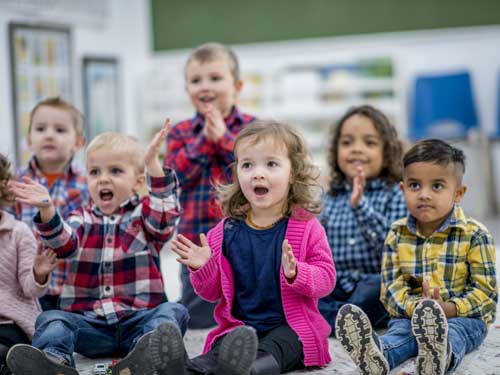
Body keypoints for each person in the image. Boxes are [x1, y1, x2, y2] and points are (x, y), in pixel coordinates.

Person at [153, 120, 336, 375]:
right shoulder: (225, 232)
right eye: (247, 165)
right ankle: (186, 368)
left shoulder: (307, 226)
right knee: (220, 349)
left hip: (289, 326)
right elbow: (211, 292)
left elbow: (327, 278)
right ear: (237, 172)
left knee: (284, 344)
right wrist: (203, 268)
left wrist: (297, 272)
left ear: (292, 172)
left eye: (271, 164)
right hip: (240, 327)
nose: (257, 173)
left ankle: (249, 370)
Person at [6, 120, 189, 375]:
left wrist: (154, 167)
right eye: (94, 172)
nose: (103, 179)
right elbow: (64, 243)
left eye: (115, 171)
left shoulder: (144, 216)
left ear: (137, 182)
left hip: (138, 319)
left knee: (173, 311)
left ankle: (148, 356)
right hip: (90, 326)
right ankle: (53, 362)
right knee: (51, 319)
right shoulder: (80, 217)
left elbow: (165, 217)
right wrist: (48, 210)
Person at [336, 139, 497, 375]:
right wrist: (417, 309)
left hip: (464, 317)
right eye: (414, 185)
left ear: (458, 193)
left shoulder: (475, 234)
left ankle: (442, 354)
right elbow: (390, 289)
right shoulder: (396, 234)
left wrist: (449, 309)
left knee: (456, 332)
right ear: (403, 190)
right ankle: (378, 354)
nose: (424, 195)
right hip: (411, 314)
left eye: (437, 186)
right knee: (400, 333)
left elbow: (486, 293)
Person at [165, 42, 256, 328]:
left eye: (215, 78)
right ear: (187, 89)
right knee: (197, 316)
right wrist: (205, 140)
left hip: (245, 238)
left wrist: (226, 140)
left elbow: (256, 171)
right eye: (196, 80)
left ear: (237, 86)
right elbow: (174, 179)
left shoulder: (253, 129)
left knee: (247, 307)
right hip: (195, 239)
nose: (205, 86)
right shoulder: (179, 132)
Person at [318, 105, 407, 331]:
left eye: (369, 143)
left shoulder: (396, 193)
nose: (356, 149)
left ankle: (334, 320)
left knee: (385, 289)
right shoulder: (329, 197)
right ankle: (345, 319)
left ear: (387, 153)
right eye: (347, 142)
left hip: (374, 282)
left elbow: (394, 251)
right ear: (335, 150)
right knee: (300, 291)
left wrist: (361, 207)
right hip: (337, 283)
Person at [7, 97, 89, 311]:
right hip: (26, 288)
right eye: (41, 129)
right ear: (29, 140)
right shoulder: (16, 184)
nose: (49, 135)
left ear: (78, 143)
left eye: (60, 130)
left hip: (74, 289)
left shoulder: (87, 185)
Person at [0, 153, 58, 375]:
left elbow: (30, 289)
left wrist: (38, 273)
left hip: (11, 323)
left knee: (6, 351)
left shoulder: (17, 232)